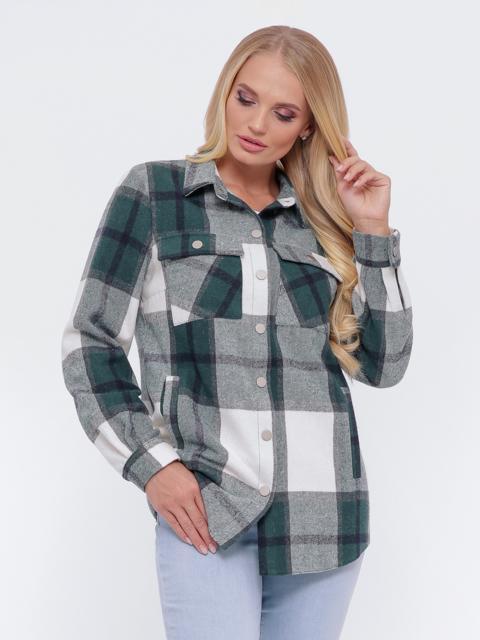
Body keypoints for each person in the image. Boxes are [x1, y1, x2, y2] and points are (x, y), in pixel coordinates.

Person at [61, 25, 413, 640]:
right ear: (225, 91)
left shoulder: (324, 220)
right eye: (245, 98)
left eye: (283, 113)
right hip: (207, 507)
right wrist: (152, 466)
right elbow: (91, 343)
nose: (255, 124)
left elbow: (385, 365)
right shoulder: (156, 193)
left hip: (323, 517)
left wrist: (373, 234)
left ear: (308, 126)